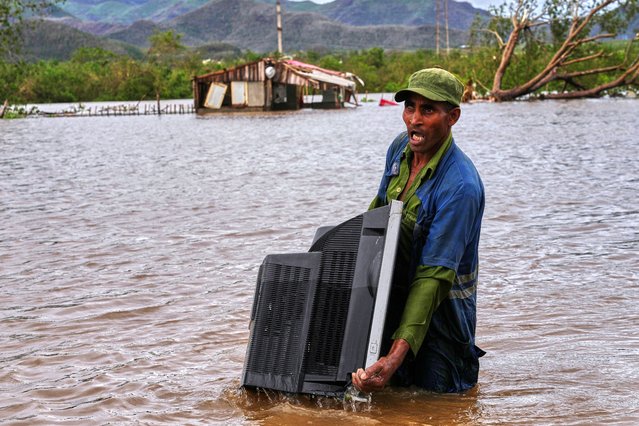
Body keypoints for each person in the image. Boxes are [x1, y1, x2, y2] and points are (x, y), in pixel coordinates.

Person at [352, 68, 485, 394]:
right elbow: (377, 217)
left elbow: (433, 277)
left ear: (452, 116)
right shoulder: (400, 148)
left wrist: (395, 356)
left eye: (428, 110)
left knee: (436, 404)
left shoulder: (460, 187)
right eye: (410, 107)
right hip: (394, 296)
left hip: (443, 315)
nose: (415, 119)